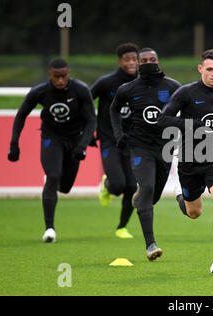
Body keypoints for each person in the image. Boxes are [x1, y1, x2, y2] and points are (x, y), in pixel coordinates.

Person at [158, 49, 213, 274]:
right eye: (209, 69)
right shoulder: (185, 93)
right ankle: (181, 194)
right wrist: (192, 125)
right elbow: (162, 119)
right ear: (200, 69)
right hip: (189, 161)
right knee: (194, 212)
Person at [8, 58, 97, 243]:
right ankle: (49, 229)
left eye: (63, 76)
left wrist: (82, 145)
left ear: (69, 74)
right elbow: (21, 115)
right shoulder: (39, 91)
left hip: (75, 139)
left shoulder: (81, 90)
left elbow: (91, 120)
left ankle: (52, 182)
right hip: (51, 138)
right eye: (56, 77)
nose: (60, 81)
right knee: (53, 176)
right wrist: (14, 143)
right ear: (50, 75)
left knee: (65, 187)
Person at [110, 47, 181, 261]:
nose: (149, 62)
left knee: (153, 197)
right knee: (148, 188)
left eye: (153, 59)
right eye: (144, 60)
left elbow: (187, 111)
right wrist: (118, 133)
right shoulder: (128, 89)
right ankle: (150, 244)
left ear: (159, 61)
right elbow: (113, 109)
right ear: (138, 64)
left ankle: (140, 197)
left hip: (166, 147)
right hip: (140, 146)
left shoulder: (173, 87)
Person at [91, 43, 139, 239]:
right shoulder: (106, 83)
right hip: (109, 139)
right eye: (127, 59)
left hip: (132, 141)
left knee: (132, 187)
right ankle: (108, 184)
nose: (131, 63)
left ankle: (121, 227)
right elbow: (85, 101)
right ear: (119, 61)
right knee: (119, 185)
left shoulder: (142, 83)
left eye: (134, 59)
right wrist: (87, 130)